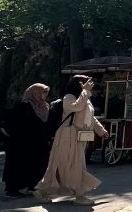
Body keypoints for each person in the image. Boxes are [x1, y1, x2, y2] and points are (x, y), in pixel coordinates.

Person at [35, 75, 109, 205]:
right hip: (67, 136)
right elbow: (76, 107)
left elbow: (91, 117)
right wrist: (85, 92)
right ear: (78, 84)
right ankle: (80, 196)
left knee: (68, 165)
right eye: (86, 83)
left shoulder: (84, 98)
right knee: (72, 165)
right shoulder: (69, 97)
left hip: (78, 136)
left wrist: (101, 131)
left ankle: (42, 190)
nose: (90, 86)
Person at [3, 83, 52, 198]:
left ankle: (33, 186)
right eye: (42, 92)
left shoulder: (45, 106)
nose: (45, 95)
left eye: (46, 92)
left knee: (38, 164)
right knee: (18, 165)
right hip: (21, 143)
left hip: (39, 142)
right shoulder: (23, 105)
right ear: (34, 92)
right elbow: (15, 124)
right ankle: (12, 190)